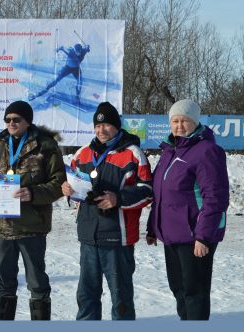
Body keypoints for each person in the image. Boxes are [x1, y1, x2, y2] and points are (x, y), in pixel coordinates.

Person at [61, 101, 153, 320]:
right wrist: (67, 190)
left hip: (117, 238)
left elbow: (148, 191)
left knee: (121, 300)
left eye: (107, 125)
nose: (101, 130)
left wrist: (117, 198)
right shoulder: (82, 154)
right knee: (86, 296)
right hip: (88, 236)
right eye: (97, 126)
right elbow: (74, 188)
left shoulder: (133, 154)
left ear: (117, 126)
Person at [0, 100, 66, 320]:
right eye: (7, 119)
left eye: (16, 119)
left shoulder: (45, 146)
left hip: (31, 227)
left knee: (37, 284)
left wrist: (33, 194)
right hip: (2, 227)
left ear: (27, 121)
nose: (11, 123)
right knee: (4, 283)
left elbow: (59, 184)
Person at [146, 99, 229, 320]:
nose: (180, 125)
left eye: (185, 120)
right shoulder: (169, 151)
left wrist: (203, 236)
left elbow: (215, 197)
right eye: (175, 121)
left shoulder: (207, 151)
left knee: (195, 293)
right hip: (171, 234)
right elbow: (160, 195)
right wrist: (153, 227)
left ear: (195, 122)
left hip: (195, 236)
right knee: (179, 290)